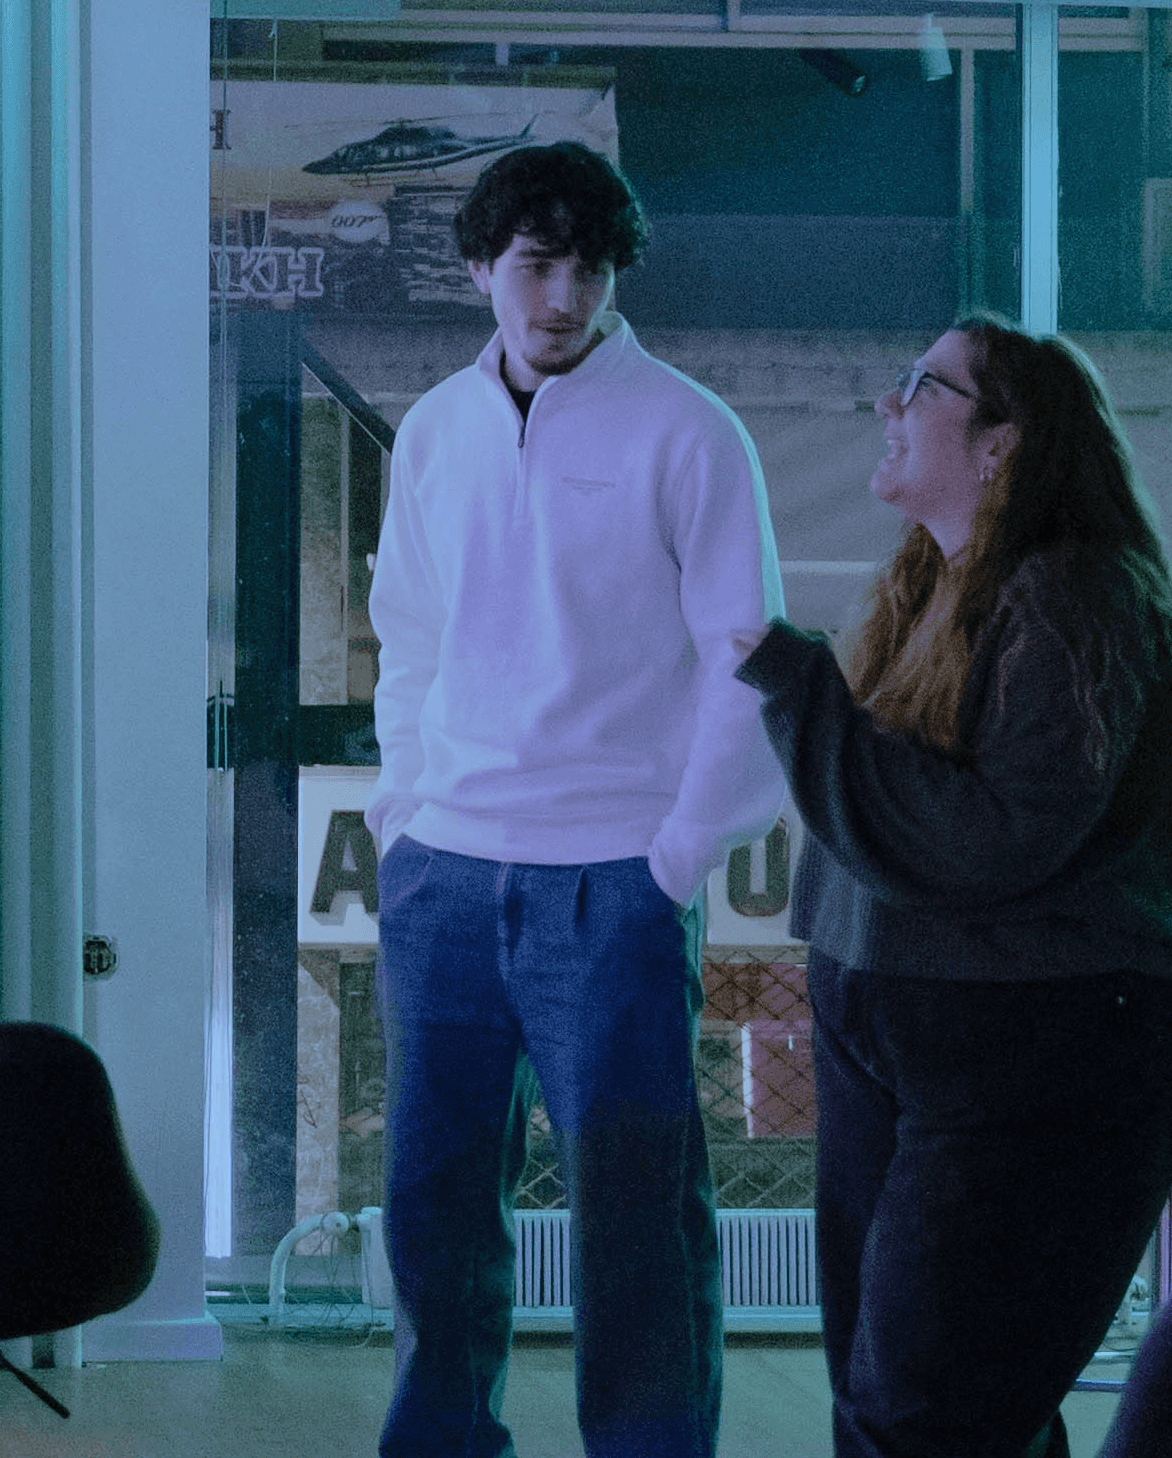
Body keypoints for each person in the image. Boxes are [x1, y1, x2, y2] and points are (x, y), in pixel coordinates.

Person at [732, 317, 1172, 1458]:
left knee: (925, 1411)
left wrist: (799, 686)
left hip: (1037, 1043)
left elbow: (989, 839)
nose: (888, 405)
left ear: (1002, 441)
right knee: (911, 1401)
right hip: (919, 1034)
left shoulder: (1075, 597)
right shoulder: (929, 587)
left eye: (921, 386)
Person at [364, 141, 786, 1457]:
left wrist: (680, 851)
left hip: (615, 880)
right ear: (479, 268)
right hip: (442, 873)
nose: (563, 298)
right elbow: (408, 638)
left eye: (590, 268)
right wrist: (402, 811)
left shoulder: (689, 430)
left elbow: (750, 660)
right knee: (431, 1206)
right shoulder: (435, 430)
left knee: (636, 1217)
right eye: (537, 265)